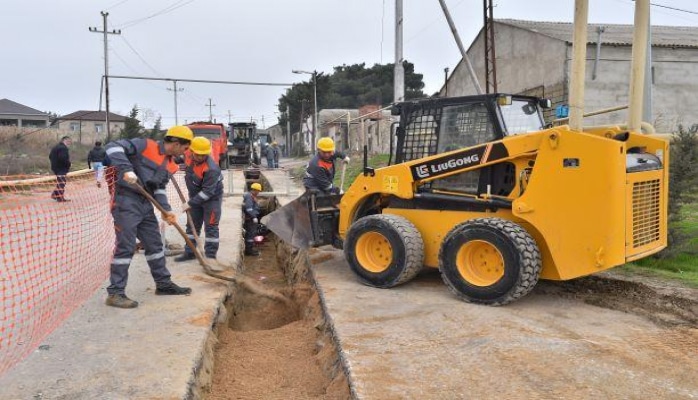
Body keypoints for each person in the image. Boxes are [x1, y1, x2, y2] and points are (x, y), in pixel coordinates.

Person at [103, 125, 194, 309]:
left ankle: (163, 284)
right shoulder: (145, 145)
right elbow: (112, 147)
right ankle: (115, 293)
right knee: (126, 247)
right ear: (176, 143)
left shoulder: (171, 164)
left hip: (145, 204)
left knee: (155, 244)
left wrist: (166, 210)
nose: (185, 153)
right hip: (126, 201)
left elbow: (159, 188)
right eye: (185, 148)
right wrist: (127, 169)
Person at [175, 137, 224, 262]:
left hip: (211, 198)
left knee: (211, 226)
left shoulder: (211, 168)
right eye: (198, 154)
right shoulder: (187, 155)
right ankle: (190, 252)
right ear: (191, 151)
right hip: (195, 196)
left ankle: (210, 257)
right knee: (192, 226)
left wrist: (190, 203)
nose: (201, 157)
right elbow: (178, 159)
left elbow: (207, 192)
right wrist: (171, 161)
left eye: (203, 155)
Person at [49, 136, 72, 202]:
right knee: (62, 182)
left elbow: (50, 156)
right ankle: (59, 197)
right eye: (68, 141)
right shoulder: (63, 148)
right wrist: (69, 164)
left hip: (55, 167)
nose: (69, 143)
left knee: (61, 182)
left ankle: (55, 194)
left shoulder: (56, 147)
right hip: (61, 168)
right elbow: (63, 158)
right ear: (64, 140)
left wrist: (54, 163)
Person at [242, 182, 262, 256]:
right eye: (258, 191)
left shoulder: (250, 196)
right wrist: (254, 217)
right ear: (254, 190)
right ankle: (249, 251)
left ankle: (250, 248)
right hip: (250, 219)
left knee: (251, 234)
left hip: (251, 218)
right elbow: (249, 209)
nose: (258, 193)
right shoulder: (249, 197)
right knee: (250, 235)